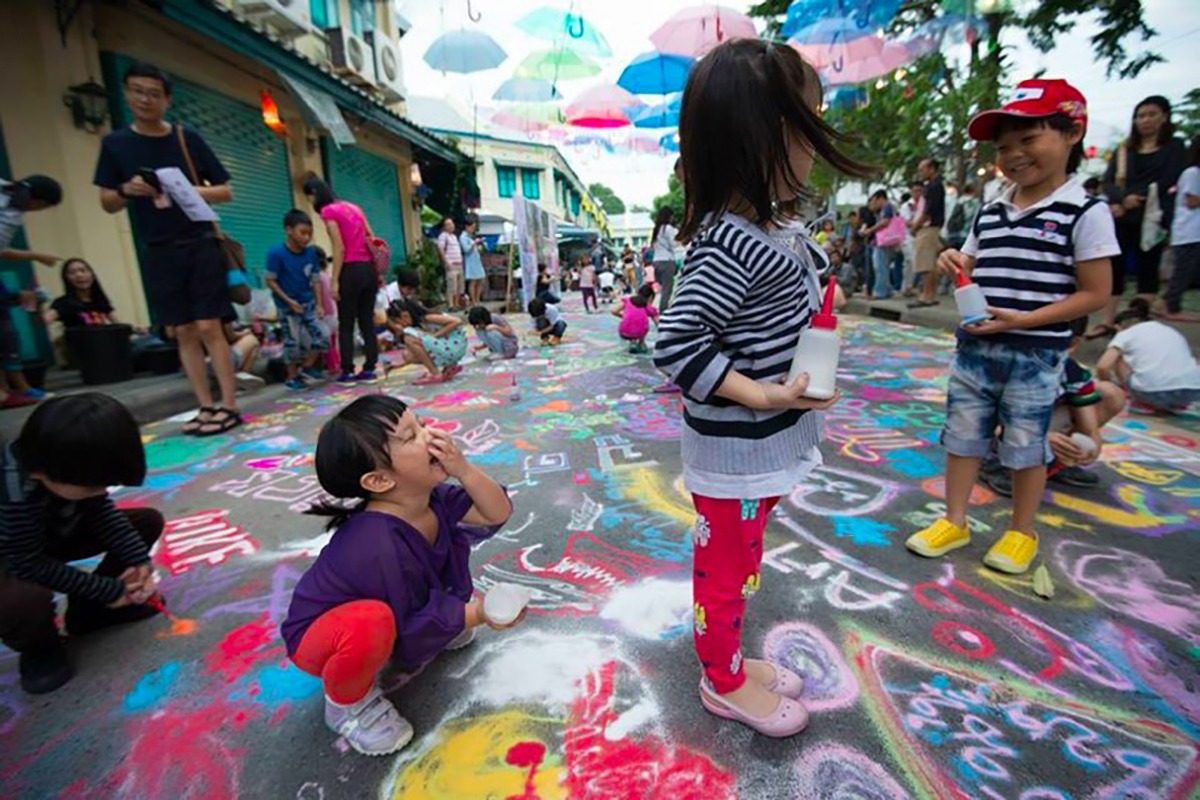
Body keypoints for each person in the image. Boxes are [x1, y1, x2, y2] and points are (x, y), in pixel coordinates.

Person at [653, 39, 871, 738]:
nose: (816, 138)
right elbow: (677, 343)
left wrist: (800, 375)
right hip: (735, 449)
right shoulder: (728, 242)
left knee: (742, 561)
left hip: (765, 439)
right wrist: (761, 394)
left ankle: (733, 661)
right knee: (726, 570)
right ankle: (721, 679)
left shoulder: (774, 227)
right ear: (769, 136)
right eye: (809, 119)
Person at [905, 78, 1118, 576]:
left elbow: (1096, 292)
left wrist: (1028, 319)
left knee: (1025, 447)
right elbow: (971, 267)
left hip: (1036, 354)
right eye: (1004, 147)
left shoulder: (1086, 212)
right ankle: (954, 520)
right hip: (976, 348)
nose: (1014, 155)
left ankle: (1021, 531)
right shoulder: (992, 210)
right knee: (961, 438)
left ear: (1070, 134)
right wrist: (954, 261)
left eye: (1029, 140)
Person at [281, 395, 517, 755]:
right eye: (411, 436)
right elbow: (407, 620)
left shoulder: (430, 499)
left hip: (387, 612)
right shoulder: (374, 543)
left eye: (421, 423)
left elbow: (494, 512)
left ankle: (438, 626)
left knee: (392, 612)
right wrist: (480, 613)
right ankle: (348, 704)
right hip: (323, 639)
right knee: (372, 621)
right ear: (378, 480)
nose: (431, 434)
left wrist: (465, 470)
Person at [94, 62, 240, 437]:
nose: (145, 99)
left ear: (167, 100)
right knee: (183, 330)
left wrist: (184, 190)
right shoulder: (115, 144)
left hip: (200, 241)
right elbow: (107, 201)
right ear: (127, 94)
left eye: (154, 93)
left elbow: (225, 189)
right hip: (158, 247)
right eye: (138, 91)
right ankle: (204, 405)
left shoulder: (185, 139)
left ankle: (229, 404)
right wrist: (128, 190)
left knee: (211, 325)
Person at [0, 393, 164, 694]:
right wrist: (107, 589)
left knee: (144, 523)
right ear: (39, 472)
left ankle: (89, 612)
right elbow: (26, 562)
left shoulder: (63, 468)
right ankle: (39, 647)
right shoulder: (14, 496)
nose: (99, 491)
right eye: (91, 486)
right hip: (11, 558)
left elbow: (99, 510)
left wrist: (138, 559)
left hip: (47, 536)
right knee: (22, 601)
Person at [979, 317, 1126, 497]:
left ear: (1072, 344)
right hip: (996, 434)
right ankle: (999, 464)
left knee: (1110, 393)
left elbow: (1088, 422)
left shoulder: (1069, 369)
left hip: (1035, 429)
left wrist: (1091, 442)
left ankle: (1055, 461)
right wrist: (1038, 438)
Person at [1088, 96, 1188, 338]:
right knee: (1115, 269)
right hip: (1121, 217)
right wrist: (1121, 200)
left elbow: (1169, 179)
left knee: (1147, 270)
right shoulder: (1124, 150)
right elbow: (1108, 182)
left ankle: (1136, 328)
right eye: (1141, 115)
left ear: (1164, 116)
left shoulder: (1174, 148)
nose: (1145, 120)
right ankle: (1108, 321)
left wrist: (1136, 198)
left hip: (1152, 219)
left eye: (1151, 114)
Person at [303, 175, 379, 384]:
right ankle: (370, 368)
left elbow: (339, 246)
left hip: (350, 270)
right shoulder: (354, 207)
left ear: (314, 195)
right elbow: (372, 238)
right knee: (366, 321)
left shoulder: (328, 211)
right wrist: (376, 271)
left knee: (346, 323)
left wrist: (335, 280)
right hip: (368, 270)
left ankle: (348, 371)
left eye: (309, 198)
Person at [1096, 297, 1200, 414]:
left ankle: (1142, 402)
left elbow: (1103, 366)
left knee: (1119, 356)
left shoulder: (1125, 334)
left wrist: (1110, 387)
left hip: (1152, 392)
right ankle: (1178, 405)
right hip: (1192, 391)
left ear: (1117, 328)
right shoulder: (1170, 330)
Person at [265, 210, 328, 391]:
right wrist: (288, 301)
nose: (307, 237)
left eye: (309, 233)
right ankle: (293, 377)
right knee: (291, 342)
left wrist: (319, 304)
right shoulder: (276, 253)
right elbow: (270, 280)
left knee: (322, 336)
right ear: (289, 230)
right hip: (286, 306)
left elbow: (315, 280)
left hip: (308, 303)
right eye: (302, 232)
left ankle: (307, 367)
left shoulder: (310, 254)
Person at [385, 299, 467, 386]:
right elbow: (419, 353)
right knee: (407, 354)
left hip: (454, 346)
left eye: (402, 319)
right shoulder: (419, 323)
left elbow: (457, 321)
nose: (403, 323)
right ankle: (450, 366)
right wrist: (398, 365)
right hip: (452, 347)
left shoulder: (427, 317)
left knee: (409, 339)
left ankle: (435, 374)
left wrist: (434, 336)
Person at [1161, 138, 1200, 322]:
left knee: (1187, 271)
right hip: (1188, 231)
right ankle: (1171, 307)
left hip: (1193, 231)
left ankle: (1168, 303)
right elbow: (1191, 201)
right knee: (1182, 271)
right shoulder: (1192, 173)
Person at [908, 157, 946, 308]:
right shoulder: (931, 186)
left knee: (926, 264)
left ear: (932, 169)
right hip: (927, 227)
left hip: (927, 228)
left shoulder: (934, 187)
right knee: (928, 263)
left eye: (923, 169)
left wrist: (915, 227)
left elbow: (928, 212)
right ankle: (928, 294)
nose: (921, 172)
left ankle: (927, 296)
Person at [45, 259, 116, 328]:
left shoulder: (100, 301)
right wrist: (38, 305)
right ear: (67, 279)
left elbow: (120, 325)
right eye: (72, 273)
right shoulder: (63, 303)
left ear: (92, 274)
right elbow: (43, 321)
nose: (79, 275)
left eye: (83, 270)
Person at [862, 190, 900, 300]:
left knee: (880, 267)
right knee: (882, 266)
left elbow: (885, 222)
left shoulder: (887, 207)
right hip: (883, 241)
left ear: (880, 198)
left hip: (883, 241)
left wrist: (870, 230)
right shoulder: (888, 208)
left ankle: (880, 291)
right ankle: (887, 289)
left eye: (874, 200)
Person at [316, 246, 341, 376]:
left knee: (327, 343)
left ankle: (332, 365)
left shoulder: (317, 277)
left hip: (324, 313)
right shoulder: (328, 275)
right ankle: (337, 362)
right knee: (332, 339)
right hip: (333, 312)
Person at [614, 284, 659, 354]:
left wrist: (624, 316)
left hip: (624, 332)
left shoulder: (628, 300)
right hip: (639, 333)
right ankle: (641, 343)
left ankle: (633, 342)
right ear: (650, 298)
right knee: (642, 323)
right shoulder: (647, 306)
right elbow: (657, 323)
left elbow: (613, 311)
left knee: (632, 322)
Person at [650, 207, 679, 309]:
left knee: (662, 290)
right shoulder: (668, 228)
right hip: (667, 261)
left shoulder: (656, 229)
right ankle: (663, 314)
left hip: (656, 262)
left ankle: (655, 309)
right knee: (667, 291)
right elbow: (674, 244)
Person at [436, 218, 464, 311]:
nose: (451, 226)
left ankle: (456, 303)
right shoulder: (443, 236)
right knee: (452, 285)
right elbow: (441, 249)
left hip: (458, 263)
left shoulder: (454, 236)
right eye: (448, 224)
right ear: (444, 227)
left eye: (452, 223)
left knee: (459, 286)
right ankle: (451, 305)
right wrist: (446, 262)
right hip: (451, 264)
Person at [460, 215, 486, 307]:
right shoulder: (463, 237)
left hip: (476, 259)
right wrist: (474, 243)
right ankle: (474, 301)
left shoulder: (470, 236)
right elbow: (466, 249)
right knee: (473, 281)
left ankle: (478, 299)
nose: (473, 229)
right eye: (472, 227)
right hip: (470, 261)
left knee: (481, 280)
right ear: (467, 226)